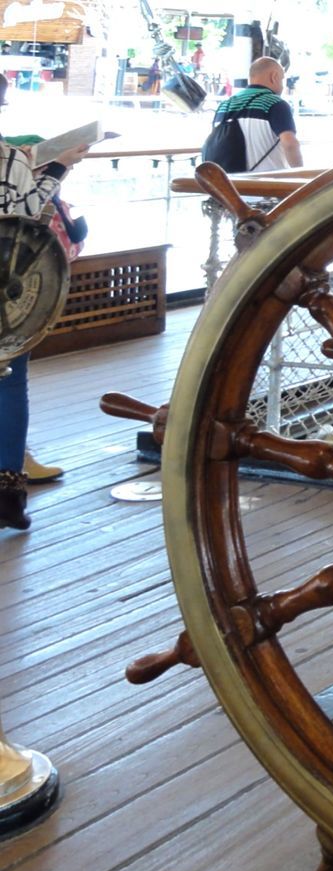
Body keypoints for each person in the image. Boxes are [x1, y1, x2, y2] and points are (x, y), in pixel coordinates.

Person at [0, 73, 88, 530]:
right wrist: (60, 167)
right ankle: (8, 497)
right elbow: (30, 211)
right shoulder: (13, 158)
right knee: (11, 384)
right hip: (11, 291)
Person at [204, 56, 301, 172]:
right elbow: (290, 144)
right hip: (267, 185)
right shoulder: (275, 104)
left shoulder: (224, 105)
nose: (283, 86)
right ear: (274, 77)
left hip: (228, 185)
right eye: (282, 79)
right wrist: (302, 173)